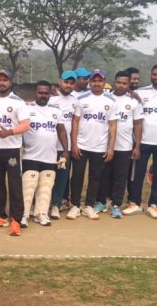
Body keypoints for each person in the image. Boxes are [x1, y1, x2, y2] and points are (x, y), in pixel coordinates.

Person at [124, 64, 157, 218]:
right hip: (143, 140)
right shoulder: (141, 92)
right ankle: (135, 203)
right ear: (150, 75)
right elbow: (123, 94)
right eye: (154, 74)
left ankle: (154, 205)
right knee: (137, 173)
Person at [0, 69, 30, 236]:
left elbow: (26, 125)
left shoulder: (18, 102)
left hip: (11, 150)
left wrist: (10, 132)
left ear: (10, 82)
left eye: (5, 80)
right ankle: (0, 216)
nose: (2, 83)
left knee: (15, 185)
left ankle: (16, 220)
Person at [68, 69, 117, 220]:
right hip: (81, 145)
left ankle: (89, 205)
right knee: (77, 176)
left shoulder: (111, 101)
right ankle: (75, 205)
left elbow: (113, 125)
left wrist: (111, 148)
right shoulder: (81, 99)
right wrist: (74, 144)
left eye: (99, 80)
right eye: (94, 80)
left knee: (95, 177)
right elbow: (75, 122)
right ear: (90, 82)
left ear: (104, 82)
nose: (97, 83)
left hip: (99, 146)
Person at [94, 71, 142, 219]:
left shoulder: (134, 101)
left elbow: (138, 124)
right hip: (105, 145)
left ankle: (116, 205)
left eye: (124, 83)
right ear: (114, 82)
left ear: (129, 84)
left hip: (124, 146)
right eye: (119, 82)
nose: (121, 85)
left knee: (120, 177)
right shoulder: (106, 97)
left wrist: (137, 146)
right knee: (104, 175)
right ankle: (101, 202)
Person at [22, 80, 68, 227]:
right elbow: (20, 128)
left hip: (50, 156)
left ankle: (41, 214)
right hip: (30, 156)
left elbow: (61, 131)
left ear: (50, 94)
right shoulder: (26, 109)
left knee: (46, 188)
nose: (43, 95)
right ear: (35, 93)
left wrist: (65, 151)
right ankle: (24, 215)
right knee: (29, 187)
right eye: (40, 93)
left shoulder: (56, 111)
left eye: (46, 93)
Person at [48, 70, 77, 219]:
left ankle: (56, 205)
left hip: (65, 148)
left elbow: (75, 123)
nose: (68, 85)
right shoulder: (50, 99)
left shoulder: (75, 101)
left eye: (72, 83)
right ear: (60, 81)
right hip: (49, 146)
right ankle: (41, 204)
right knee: (46, 178)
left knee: (61, 178)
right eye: (66, 82)